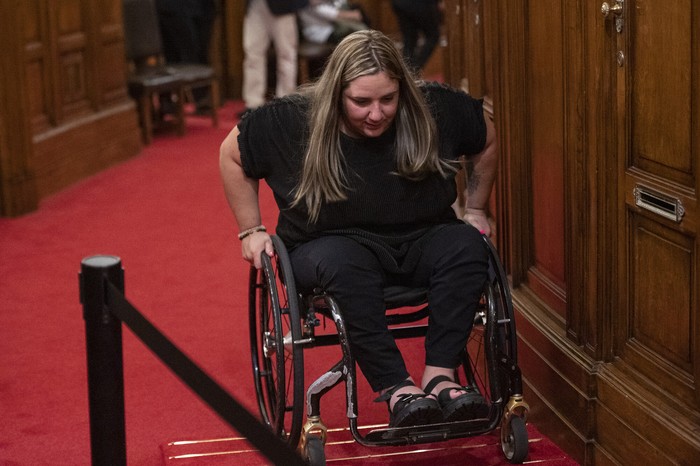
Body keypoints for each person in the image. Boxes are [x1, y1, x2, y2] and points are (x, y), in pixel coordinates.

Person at [220, 30, 497, 428]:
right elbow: (232, 153)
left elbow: (486, 137)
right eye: (361, 102)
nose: (376, 113)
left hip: (422, 237)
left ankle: (440, 376)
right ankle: (398, 388)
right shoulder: (292, 119)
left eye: (388, 99)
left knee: (467, 246)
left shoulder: (433, 107)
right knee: (345, 263)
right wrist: (250, 231)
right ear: (336, 93)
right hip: (328, 244)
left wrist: (475, 208)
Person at [241, 0, 309, 116]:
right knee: (253, 55)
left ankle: (285, 103)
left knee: (286, 56)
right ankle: (253, 103)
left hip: (282, 7)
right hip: (256, 5)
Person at [155, 0, 217, 112]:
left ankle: (200, 98)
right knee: (176, 53)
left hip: (203, 7)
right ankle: (169, 100)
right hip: (173, 6)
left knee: (201, 51)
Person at [391, 0, 442, 72]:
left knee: (409, 40)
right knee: (433, 36)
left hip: (400, 4)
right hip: (419, 4)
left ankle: (407, 73)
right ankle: (415, 69)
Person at [298, 0, 368, 45]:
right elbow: (331, 14)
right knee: (356, 36)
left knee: (361, 30)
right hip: (319, 33)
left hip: (331, 26)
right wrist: (352, 15)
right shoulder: (310, 4)